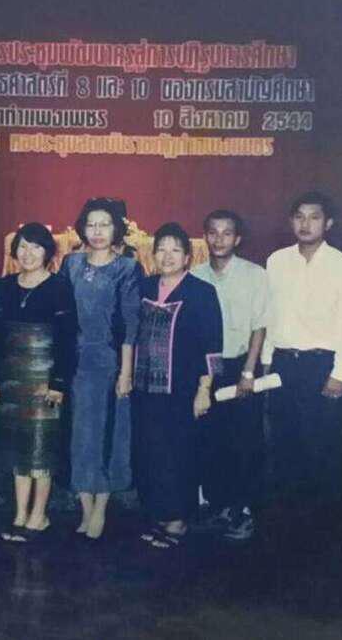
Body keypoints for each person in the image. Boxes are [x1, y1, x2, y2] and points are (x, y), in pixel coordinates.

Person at [261, 190, 342, 531]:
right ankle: (286, 521)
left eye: (314, 217)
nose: (306, 224)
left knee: (321, 443)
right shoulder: (276, 261)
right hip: (282, 364)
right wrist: (266, 360)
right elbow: (270, 315)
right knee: (284, 440)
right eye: (299, 217)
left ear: (328, 223)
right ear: (291, 221)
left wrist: (340, 374)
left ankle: (322, 525)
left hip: (321, 366)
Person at [0, 223, 77, 543]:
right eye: (22, 246)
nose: (28, 253)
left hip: (45, 377)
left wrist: (59, 383)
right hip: (13, 377)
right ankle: (20, 513)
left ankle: (40, 515)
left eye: (36, 246)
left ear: (47, 252)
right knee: (18, 448)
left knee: (41, 448)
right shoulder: (4, 286)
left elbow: (67, 339)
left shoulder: (59, 287)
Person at [133, 223, 223, 549]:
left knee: (178, 454)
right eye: (161, 249)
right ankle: (158, 515)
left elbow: (213, 347)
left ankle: (178, 520)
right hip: (144, 389)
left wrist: (204, 390)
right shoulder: (143, 287)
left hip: (182, 390)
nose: (167, 256)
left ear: (187, 257)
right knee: (149, 452)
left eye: (175, 250)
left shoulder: (201, 292)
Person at [60, 198, 142, 540]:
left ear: (116, 229)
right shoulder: (71, 264)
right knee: (81, 436)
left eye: (104, 224)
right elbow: (62, 317)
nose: (97, 231)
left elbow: (131, 325)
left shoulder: (127, 268)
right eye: (91, 224)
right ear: (82, 228)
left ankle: (101, 509)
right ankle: (84, 507)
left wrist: (126, 372)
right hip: (76, 364)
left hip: (111, 362)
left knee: (110, 434)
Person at [191, 210, 268, 541]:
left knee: (244, 440)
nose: (219, 239)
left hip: (240, 365)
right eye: (213, 232)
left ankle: (244, 510)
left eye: (226, 233)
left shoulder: (254, 275)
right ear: (205, 236)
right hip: (209, 368)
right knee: (211, 439)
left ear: (237, 239)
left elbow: (259, 327)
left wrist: (249, 371)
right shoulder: (195, 276)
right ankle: (219, 505)